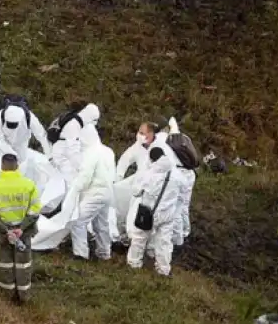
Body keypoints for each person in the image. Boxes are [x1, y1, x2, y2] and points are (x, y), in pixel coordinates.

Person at [0, 154, 41, 303]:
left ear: (2, 167)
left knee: (5, 263)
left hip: (3, 233)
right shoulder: (29, 185)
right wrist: (21, 228)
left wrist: (4, 229)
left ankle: (6, 296)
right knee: (23, 264)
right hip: (23, 233)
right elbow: (34, 211)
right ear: (17, 166)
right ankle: (24, 296)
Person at [126, 147, 184, 276]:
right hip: (168, 215)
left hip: (148, 213)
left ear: (152, 159)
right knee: (164, 242)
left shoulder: (149, 174)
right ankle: (163, 270)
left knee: (139, 238)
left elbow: (135, 192)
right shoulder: (177, 174)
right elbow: (182, 196)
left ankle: (134, 264)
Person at [67, 125, 116, 261]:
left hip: (94, 192)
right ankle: (104, 252)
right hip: (108, 192)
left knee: (78, 221)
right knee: (102, 224)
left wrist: (75, 189)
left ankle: (81, 254)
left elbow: (86, 176)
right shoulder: (108, 151)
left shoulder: (90, 153)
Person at [49, 102, 100, 185]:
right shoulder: (74, 124)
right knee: (71, 183)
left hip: (60, 153)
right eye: (95, 120)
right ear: (90, 117)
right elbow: (72, 151)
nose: (95, 123)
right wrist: (81, 168)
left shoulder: (76, 121)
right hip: (62, 156)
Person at [0, 98, 50, 164]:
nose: (12, 128)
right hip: (4, 141)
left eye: (14, 124)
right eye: (9, 124)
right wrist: (8, 151)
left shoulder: (30, 118)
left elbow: (42, 136)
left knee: (20, 163)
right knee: (2, 162)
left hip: (21, 143)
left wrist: (50, 156)